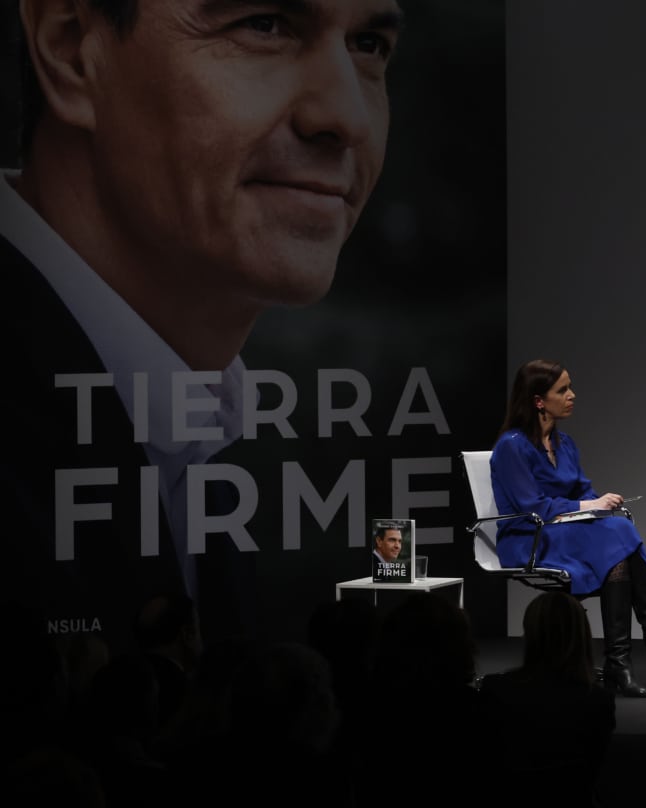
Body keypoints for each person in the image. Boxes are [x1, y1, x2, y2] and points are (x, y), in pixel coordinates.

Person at [1, 0, 404, 650]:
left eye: (368, 46)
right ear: (74, 51)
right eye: (264, 25)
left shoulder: (190, 426)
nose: (347, 118)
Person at [489, 359, 646, 698]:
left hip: (566, 532)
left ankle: (621, 663)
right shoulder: (512, 446)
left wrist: (600, 502)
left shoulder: (564, 442)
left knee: (618, 538)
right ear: (539, 401)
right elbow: (533, 507)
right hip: (529, 537)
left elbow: (582, 490)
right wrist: (589, 506)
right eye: (562, 390)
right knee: (619, 535)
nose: (572, 395)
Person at [478, 592, 615, 803]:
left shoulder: (495, 690)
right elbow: (592, 769)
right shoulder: (598, 700)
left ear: (528, 634)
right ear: (583, 635)